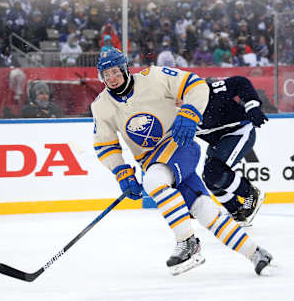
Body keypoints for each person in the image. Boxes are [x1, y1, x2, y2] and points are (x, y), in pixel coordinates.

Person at [92, 49, 272, 276]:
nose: (111, 78)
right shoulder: (101, 106)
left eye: (115, 72)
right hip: (150, 159)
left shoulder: (155, 77)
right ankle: (256, 253)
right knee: (204, 211)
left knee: (154, 181)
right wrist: (120, 171)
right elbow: (105, 145)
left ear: (125, 69)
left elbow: (195, 84)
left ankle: (186, 242)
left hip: (178, 143)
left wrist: (190, 112)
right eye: (105, 74)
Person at [191, 77, 269, 227]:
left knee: (214, 171)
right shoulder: (172, 113)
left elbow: (240, 82)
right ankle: (237, 212)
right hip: (219, 139)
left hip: (239, 131)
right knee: (210, 178)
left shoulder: (208, 91)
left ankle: (250, 194)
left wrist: (252, 105)